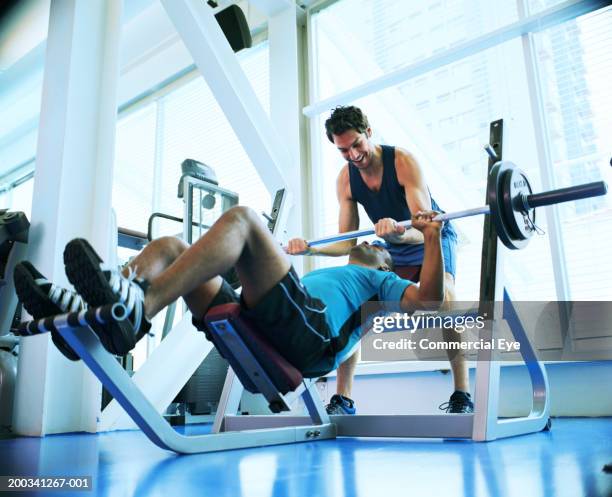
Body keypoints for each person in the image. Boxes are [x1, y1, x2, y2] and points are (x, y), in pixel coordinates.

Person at [14, 206, 443, 380]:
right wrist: (285, 253)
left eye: (379, 249)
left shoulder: (381, 283)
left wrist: (432, 236)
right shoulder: (338, 271)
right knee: (168, 246)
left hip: (309, 334)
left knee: (243, 221)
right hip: (273, 320)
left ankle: (135, 307)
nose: (370, 243)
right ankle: (99, 317)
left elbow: (430, 302)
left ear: (387, 265)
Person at [287, 105, 472, 414]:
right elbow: (346, 243)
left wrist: (396, 235)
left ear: (368, 132)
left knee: (446, 302)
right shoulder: (345, 181)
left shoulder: (402, 162)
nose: (353, 154)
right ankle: (344, 398)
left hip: (427, 237)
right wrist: (310, 249)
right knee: (358, 302)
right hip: (389, 242)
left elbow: (423, 227)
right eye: (343, 150)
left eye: (357, 144)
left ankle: (462, 394)